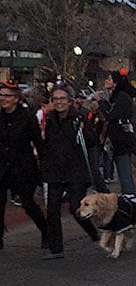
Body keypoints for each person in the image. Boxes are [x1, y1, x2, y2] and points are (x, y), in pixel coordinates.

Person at [39, 86, 100, 259]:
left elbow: (92, 140)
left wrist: (84, 129)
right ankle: (56, 248)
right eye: (55, 99)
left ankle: (92, 233)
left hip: (75, 170)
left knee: (76, 207)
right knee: (52, 210)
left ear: (69, 101)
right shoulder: (50, 119)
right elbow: (46, 144)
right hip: (55, 171)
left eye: (62, 98)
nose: (59, 102)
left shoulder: (78, 118)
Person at [0, 81, 48, 249]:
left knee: (28, 203)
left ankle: (45, 231)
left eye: (6, 96)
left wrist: (43, 165)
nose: (2, 99)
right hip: (3, 166)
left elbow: (38, 142)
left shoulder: (26, 117)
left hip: (23, 167)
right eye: (1, 95)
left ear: (15, 99)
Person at [82, 98, 110, 193]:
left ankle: (100, 186)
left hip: (95, 142)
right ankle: (100, 184)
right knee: (95, 165)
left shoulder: (96, 116)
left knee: (94, 166)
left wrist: (101, 135)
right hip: (96, 141)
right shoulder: (95, 116)